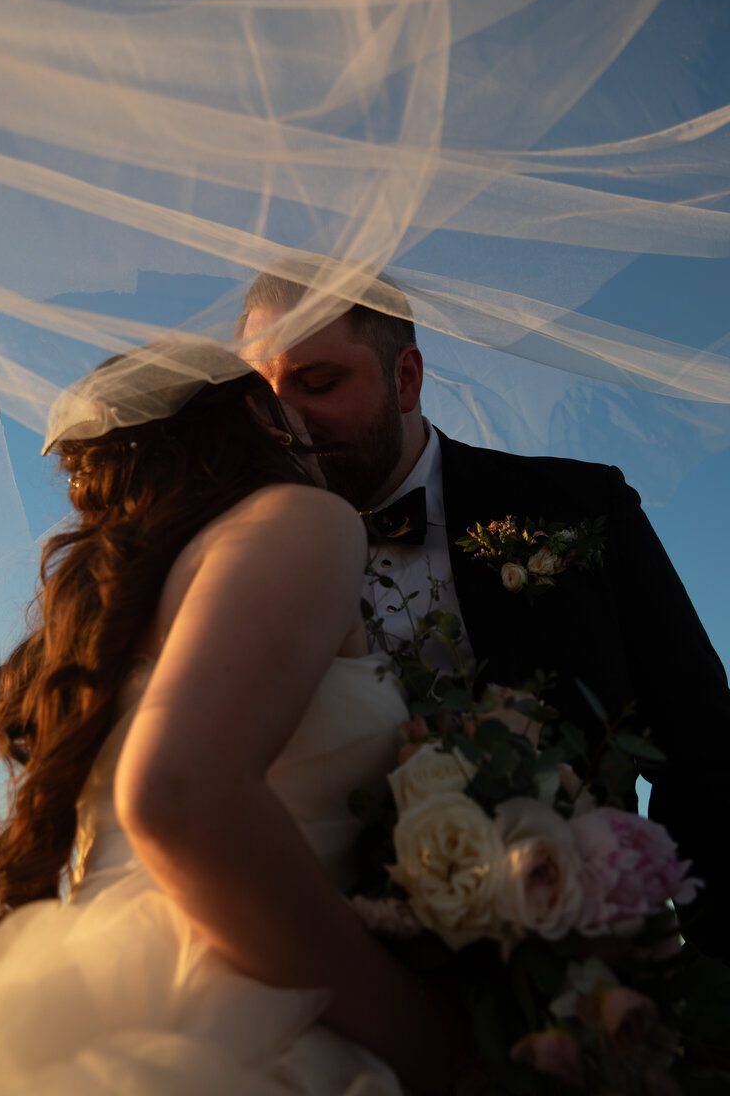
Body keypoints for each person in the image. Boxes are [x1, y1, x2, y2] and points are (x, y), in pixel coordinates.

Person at [0, 344, 472, 1095]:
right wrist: (429, 1039)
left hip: (87, 1006)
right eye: (287, 397)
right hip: (245, 1030)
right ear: (255, 417)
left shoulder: (116, 611)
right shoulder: (303, 519)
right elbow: (176, 795)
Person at [240, 268, 730, 967]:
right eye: (263, 398)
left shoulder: (575, 509)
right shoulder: (236, 567)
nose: (285, 422)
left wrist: (703, 1003)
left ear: (406, 378)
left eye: (317, 383)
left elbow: (706, 756)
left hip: (580, 977)